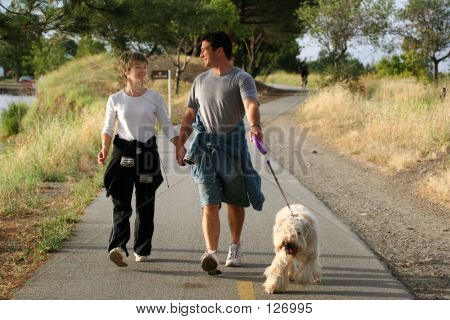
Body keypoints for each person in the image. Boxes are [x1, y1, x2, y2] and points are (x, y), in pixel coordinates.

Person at [177, 31, 265, 275]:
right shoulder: (200, 81)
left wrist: (255, 126)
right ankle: (211, 254)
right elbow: (190, 113)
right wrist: (180, 142)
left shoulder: (241, 78)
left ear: (219, 51)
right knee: (210, 203)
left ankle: (235, 246)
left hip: (233, 147)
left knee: (235, 202)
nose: (200, 53)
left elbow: (250, 105)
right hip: (205, 149)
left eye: (204, 49)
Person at [98, 51, 181, 267]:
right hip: (123, 151)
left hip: (147, 153)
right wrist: (104, 148)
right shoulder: (115, 99)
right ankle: (117, 246)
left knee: (145, 204)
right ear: (126, 71)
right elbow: (108, 127)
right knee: (121, 203)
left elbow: (166, 125)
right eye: (138, 67)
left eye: (144, 67)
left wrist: (179, 146)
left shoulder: (154, 97)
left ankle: (142, 248)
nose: (143, 71)